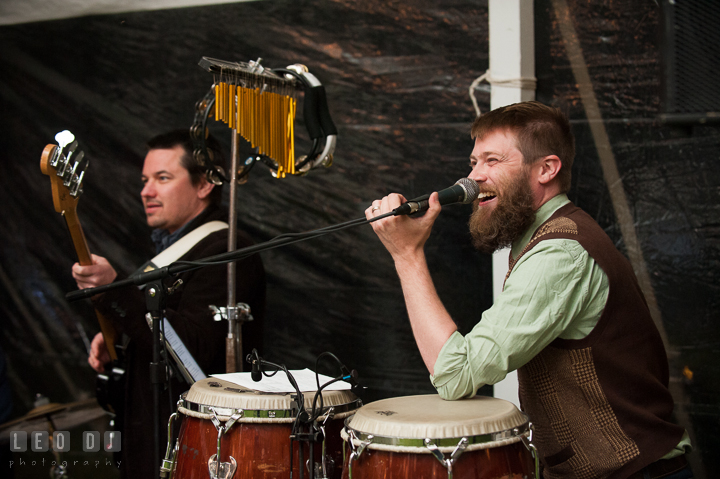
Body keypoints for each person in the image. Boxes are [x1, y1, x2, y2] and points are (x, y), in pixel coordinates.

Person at [365, 102, 691, 479]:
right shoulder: (544, 236)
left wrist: (407, 255)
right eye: (473, 162)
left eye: (492, 160)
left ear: (546, 169)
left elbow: (455, 375)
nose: (473, 178)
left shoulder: (559, 253)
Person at [72, 130, 266, 478]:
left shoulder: (227, 252)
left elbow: (195, 352)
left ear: (205, 184)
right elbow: (154, 328)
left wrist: (116, 292)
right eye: (145, 180)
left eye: (163, 178)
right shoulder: (173, 253)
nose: (146, 191)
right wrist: (119, 334)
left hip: (198, 453)